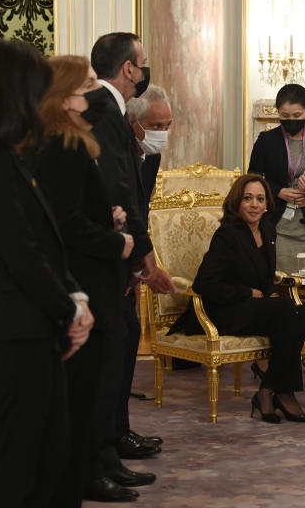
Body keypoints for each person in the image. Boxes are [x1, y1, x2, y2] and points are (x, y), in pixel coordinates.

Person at [0, 40, 94, 507]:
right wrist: (68, 306)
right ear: (12, 91)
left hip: (30, 325)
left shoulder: (7, 156)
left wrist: (74, 299)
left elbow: (45, 243)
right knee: (22, 468)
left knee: (52, 457)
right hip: (11, 331)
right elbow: (20, 253)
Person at [34, 55, 147, 504]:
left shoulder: (74, 137)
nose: (90, 95)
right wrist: (116, 241)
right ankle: (89, 471)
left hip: (94, 269)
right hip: (87, 271)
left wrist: (110, 216)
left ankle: (101, 461)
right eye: (83, 88)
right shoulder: (60, 144)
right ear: (62, 96)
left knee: (104, 373)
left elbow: (82, 205)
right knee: (90, 382)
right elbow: (67, 221)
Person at [87, 32, 171, 498]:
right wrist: (142, 258)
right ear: (127, 70)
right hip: (105, 257)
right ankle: (99, 458)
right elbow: (117, 192)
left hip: (118, 255)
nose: (145, 69)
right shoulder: (104, 111)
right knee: (108, 356)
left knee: (122, 346)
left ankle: (113, 441)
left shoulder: (111, 112)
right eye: (143, 62)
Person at [170, 174, 305, 423]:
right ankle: (281, 393)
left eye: (260, 199)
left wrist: (268, 291)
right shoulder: (227, 235)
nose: (254, 204)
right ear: (237, 202)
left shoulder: (268, 229)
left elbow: (267, 274)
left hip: (252, 309)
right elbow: (204, 284)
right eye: (248, 198)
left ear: (267, 204)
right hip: (222, 311)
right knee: (289, 311)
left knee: (298, 312)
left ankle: (270, 390)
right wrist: (247, 292)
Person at [248, 83, 305, 273]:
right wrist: (278, 191)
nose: (291, 120)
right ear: (278, 113)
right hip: (276, 225)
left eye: (297, 116)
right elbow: (252, 177)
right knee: (278, 282)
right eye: (285, 116)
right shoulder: (266, 140)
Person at [125, 84, 173, 203]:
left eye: (167, 126)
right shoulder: (117, 155)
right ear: (132, 122)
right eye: (156, 126)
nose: (163, 133)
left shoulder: (153, 156)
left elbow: (144, 206)